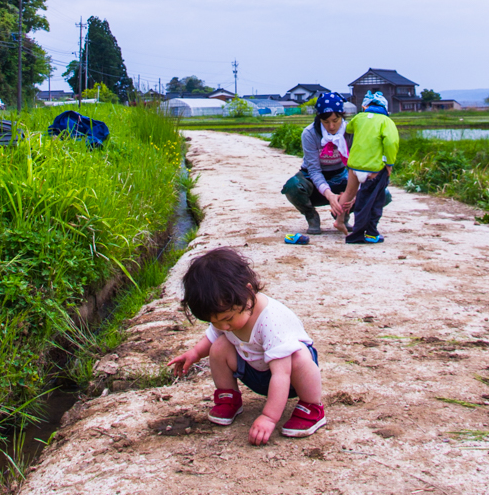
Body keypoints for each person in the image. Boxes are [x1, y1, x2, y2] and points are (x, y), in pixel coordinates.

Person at [169, 246, 325, 444]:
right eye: (214, 321)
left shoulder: (271, 320)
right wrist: (194, 354)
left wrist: (268, 417)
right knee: (219, 346)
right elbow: (211, 338)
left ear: (247, 292)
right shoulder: (227, 314)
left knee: (299, 357)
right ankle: (229, 397)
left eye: (227, 319)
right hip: (256, 372)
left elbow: (281, 374)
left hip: (291, 377)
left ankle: (312, 406)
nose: (223, 326)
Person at [280, 91, 353, 234]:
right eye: (326, 122)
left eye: (336, 120)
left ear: (342, 116)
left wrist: (352, 192)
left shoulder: (350, 131)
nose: (331, 126)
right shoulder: (310, 133)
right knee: (292, 187)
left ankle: (342, 215)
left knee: (378, 192)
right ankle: (311, 216)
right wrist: (330, 195)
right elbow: (314, 170)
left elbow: (354, 166)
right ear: (319, 119)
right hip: (312, 179)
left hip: (339, 176)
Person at [333, 90, 399, 245]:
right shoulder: (386, 122)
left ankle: (339, 220)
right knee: (372, 201)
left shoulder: (359, 118)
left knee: (349, 193)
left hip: (354, 165)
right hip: (373, 169)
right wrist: (389, 163)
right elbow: (391, 142)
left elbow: (348, 130)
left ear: (366, 106)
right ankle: (366, 232)